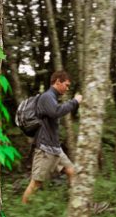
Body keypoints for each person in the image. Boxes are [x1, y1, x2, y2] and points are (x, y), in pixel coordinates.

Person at [22, 71, 83, 204]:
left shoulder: (52, 98)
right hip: (45, 148)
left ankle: (77, 205)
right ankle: (24, 208)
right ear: (57, 82)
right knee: (36, 183)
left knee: (72, 171)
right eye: (66, 85)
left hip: (55, 147)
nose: (67, 88)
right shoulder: (47, 97)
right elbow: (56, 112)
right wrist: (75, 102)